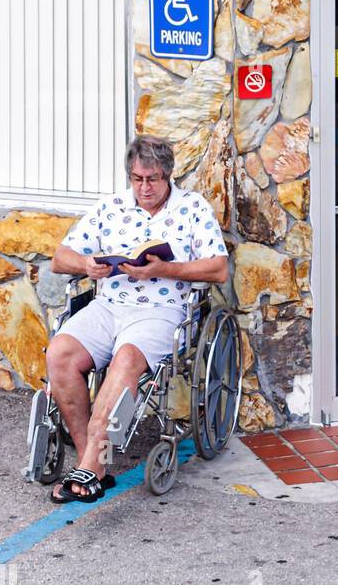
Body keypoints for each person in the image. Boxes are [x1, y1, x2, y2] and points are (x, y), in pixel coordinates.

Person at [46, 136, 229, 503]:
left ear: (168, 175)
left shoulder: (192, 207)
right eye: (137, 179)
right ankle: (92, 461)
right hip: (109, 305)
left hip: (160, 311)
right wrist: (86, 264)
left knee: (127, 358)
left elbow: (219, 268)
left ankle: (91, 467)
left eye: (153, 179)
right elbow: (59, 258)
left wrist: (166, 269)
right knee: (59, 353)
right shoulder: (110, 207)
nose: (144, 188)